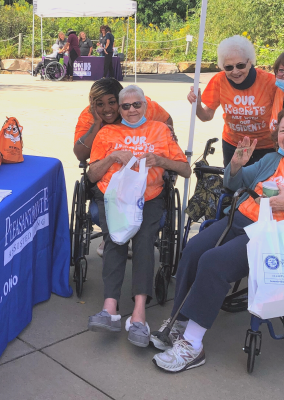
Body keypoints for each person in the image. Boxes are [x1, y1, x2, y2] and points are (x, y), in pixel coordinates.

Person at [151, 105, 284, 373]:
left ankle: (192, 345)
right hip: (238, 219)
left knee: (213, 262)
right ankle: (177, 322)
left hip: (274, 235)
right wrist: (236, 164)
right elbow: (235, 182)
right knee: (193, 248)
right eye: (283, 129)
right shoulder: (273, 160)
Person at [87, 85, 191, 348]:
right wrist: (112, 156)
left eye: (137, 105)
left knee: (145, 240)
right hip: (114, 197)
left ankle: (139, 313)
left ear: (146, 105)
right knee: (116, 239)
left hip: (149, 196)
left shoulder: (160, 130)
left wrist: (160, 160)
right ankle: (110, 308)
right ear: (120, 109)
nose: (131, 110)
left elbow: (186, 170)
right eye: (126, 106)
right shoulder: (108, 132)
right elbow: (91, 175)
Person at [74, 78, 174, 258]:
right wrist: (97, 123)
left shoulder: (140, 105)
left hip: (142, 180)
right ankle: (112, 236)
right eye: (100, 104)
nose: (106, 109)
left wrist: (166, 134)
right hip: (109, 180)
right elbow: (80, 155)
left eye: (112, 102)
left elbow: (167, 119)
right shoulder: (89, 114)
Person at [187, 35, 276, 167]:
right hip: (235, 146)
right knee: (234, 183)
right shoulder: (219, 80)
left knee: (260, 186)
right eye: (228, 67)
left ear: (250, 62)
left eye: (240, 65)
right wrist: (197, 105)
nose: (235, 71)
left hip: (265, 147)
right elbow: (206, 116)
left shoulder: (269, 82)